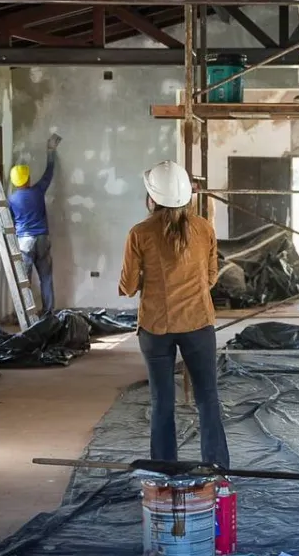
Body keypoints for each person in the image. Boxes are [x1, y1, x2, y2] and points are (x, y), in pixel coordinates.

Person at [119, 161, 230, 468]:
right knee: (208, 398)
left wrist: (149, 281)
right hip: (198, 324)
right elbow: (210, 279)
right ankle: (217, 469)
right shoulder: (204, 228)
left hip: (156, 328)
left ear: (151, 199)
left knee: (162, 402)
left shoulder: (139, 233)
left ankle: (165, 472)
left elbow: (128, 287)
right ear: (188, 197)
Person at [8, 133, 61, 317]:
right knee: (46, 277)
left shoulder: (12, 199)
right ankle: (48, 313)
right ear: (28, 179)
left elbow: (11, 221)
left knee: (25, 280)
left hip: (25, 241)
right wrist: (51, 151)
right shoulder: (38, 191)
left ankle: (25, 315)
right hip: (42, 239)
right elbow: (49, 173)